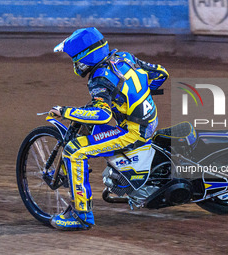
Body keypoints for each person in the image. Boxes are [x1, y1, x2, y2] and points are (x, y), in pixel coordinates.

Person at [48, 27, 169, 230]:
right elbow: (161, 74)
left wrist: (65, 111)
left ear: (85, 57)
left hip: (132, 132)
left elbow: (103, 116)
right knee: (90, 127)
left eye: (74, 59)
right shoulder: (123, 57)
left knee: (74, 150)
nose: (74, 64)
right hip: (150, 121)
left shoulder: (99, 78)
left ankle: (81, 215)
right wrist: (133, 95)